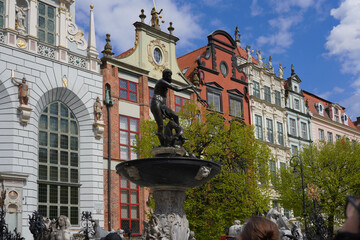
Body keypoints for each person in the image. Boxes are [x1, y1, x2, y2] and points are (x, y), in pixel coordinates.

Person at [150, 69, 192, 146]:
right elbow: (176, 88)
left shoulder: (165, 82)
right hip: (156, 103)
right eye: (168, 75)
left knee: (175, 116)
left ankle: (179, 134)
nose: (169, 77)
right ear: (164, 76)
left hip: (162, 105)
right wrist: (188, 87)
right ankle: (163, 144)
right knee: (160, 126)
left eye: (170, 75)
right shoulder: (161, 82)